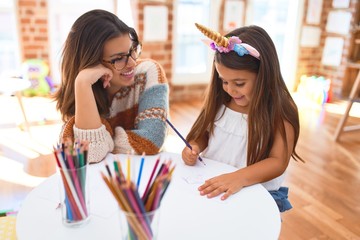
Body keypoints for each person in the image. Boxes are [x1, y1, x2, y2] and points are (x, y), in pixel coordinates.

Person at [182, 23, 304, 212]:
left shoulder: (280, 111)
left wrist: (239, 177)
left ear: (264, 75)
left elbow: (278, 162)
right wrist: (195, 146)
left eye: (239, 83)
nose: (230, 90)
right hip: (216, 188)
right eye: (224, 81)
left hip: (254, 194)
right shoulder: (221, 100)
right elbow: (205, 134)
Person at [54, 9, 169, 163]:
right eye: (119, 58)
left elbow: (151, 141)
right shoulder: (83, 87)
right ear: (92, 62)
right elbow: (90, 154)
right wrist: (82, 83)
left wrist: (107, 140)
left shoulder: (148, 72)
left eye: (132, 50)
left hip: (145, 169)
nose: (132, 63)